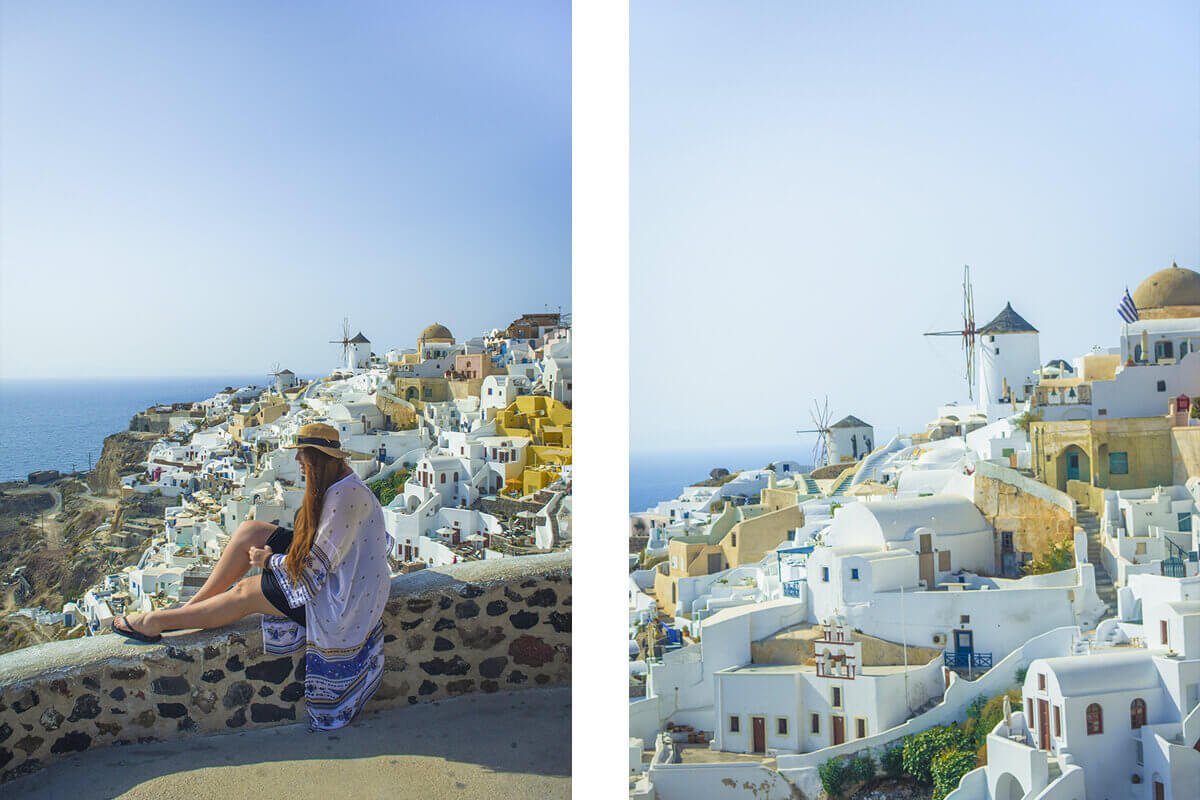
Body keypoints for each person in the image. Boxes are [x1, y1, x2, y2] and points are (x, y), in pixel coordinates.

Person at [113, 422, 393, 731]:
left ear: (317, 459)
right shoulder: (337, 485)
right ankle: (184, 612)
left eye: (302, 456)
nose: (298, 462)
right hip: (338, 575)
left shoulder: (345, 497)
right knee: (251, 531)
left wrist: (269, 561)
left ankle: (158, 622)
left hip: (340, 601)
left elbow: (315, 570)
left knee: (247, 591)